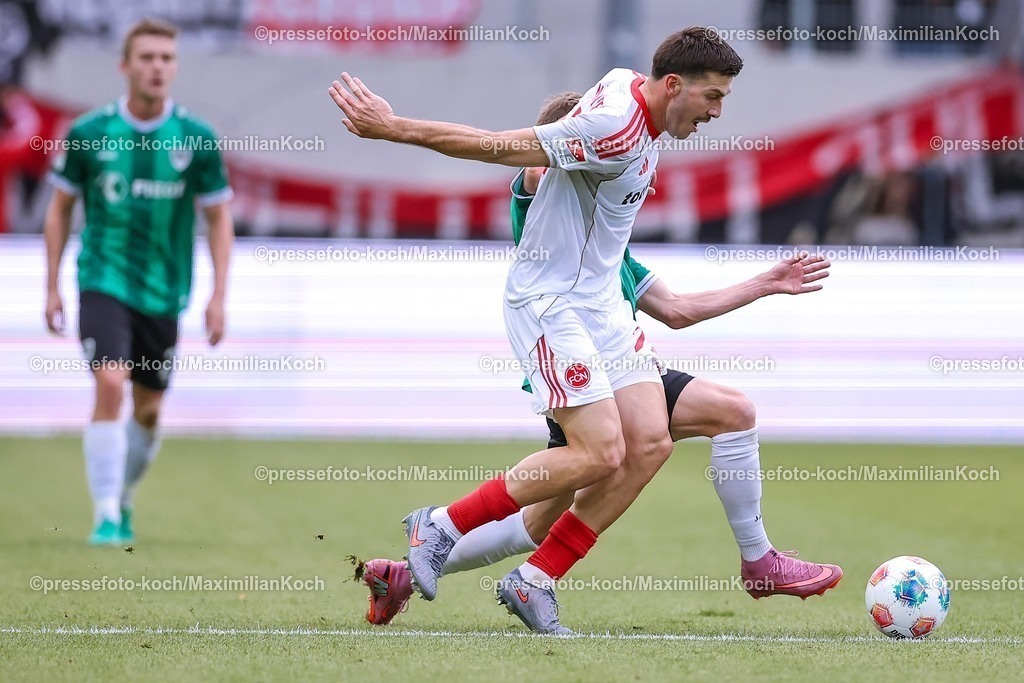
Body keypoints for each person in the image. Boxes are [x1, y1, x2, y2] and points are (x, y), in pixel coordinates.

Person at [333, 27, 776, 634]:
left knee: (646, 444)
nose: (718, 112)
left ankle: (530, 579)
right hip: (555, 308)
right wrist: (393, 127)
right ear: (675, 85)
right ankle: (439, 525)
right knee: (598, 455)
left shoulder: (626, 90)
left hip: (601, 314)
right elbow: (496, 146)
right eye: (713, 97)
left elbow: (669, 305)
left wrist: (762, 283)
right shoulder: (612, 131)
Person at [44, 18, 234, 546]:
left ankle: (122, 497)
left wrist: (219, 295)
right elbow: (59, 210)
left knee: (148, 409)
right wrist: (52, 285)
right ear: (125, 66)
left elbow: (219, 218)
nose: (158, 67)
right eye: (147, 57)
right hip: (102, 278)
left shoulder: (196, 139)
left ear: (175, 67)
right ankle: (104, 513)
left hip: (165, 291)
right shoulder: (88, 133)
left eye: (167, 58)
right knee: (110, 382)